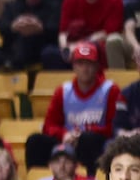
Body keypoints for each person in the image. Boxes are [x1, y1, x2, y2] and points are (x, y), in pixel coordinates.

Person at [26, 41, 121, 172]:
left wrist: (83, 133)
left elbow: (114, 127)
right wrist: (64, 135)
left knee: (87, 139)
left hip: (95, 144)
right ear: (74, 66)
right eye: (80, 64)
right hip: (67, 142)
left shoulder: (110, 90)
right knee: (34, 141)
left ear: (97, 66)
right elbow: (49, 125)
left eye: (89, 64)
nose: (85, 69)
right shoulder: (63, 91)